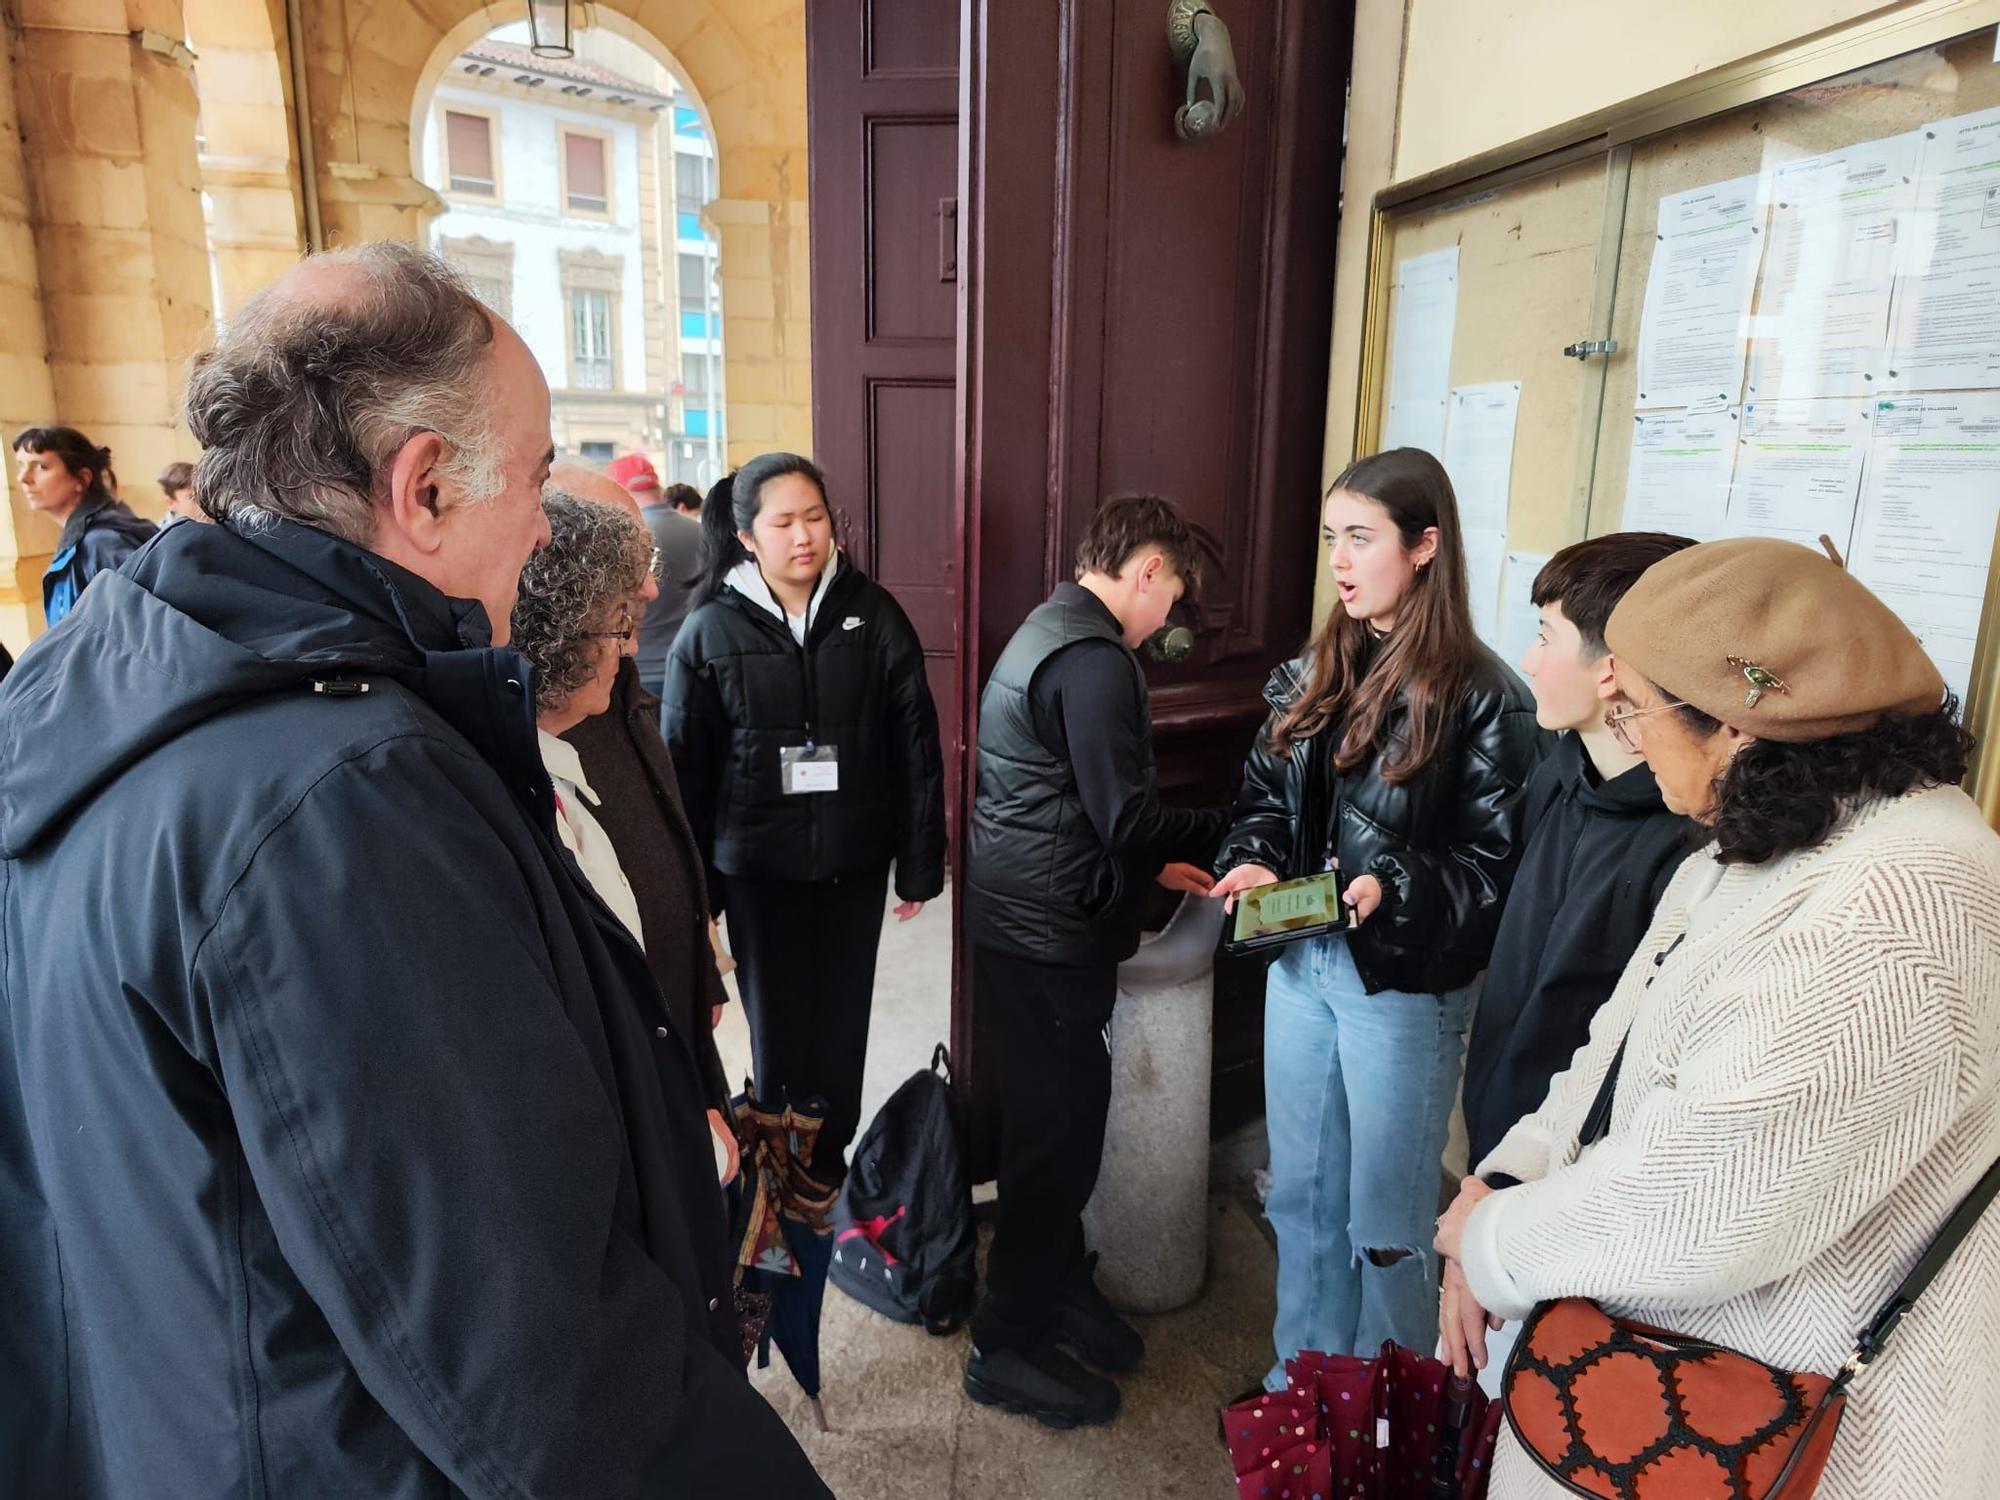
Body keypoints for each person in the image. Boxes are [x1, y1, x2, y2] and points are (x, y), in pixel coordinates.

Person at [0, 242, 827, 1498]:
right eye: (539, 480)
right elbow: (542, 1365)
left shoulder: (104, 684)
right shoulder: (341, 803)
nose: (546, 527)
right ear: (425, 487)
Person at [1437, 537, 2000, 1500]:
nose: (1628, 733)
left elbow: (1704, 1203)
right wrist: (1502, 1179)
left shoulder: (1903, 899)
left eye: (1638, 710)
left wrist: (1492, 1247)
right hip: (1652, 1388)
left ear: (1737, 729)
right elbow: (1604, 1058)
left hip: (1787, 1426)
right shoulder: (1748, 843)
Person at [1211, 447, 1546, 1389]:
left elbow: (1494, 871)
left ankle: (1386, 1414)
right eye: (1333, 539)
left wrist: (1391, 882)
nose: (1341, 562)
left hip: (1401, 987)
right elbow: (1264, 802)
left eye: (1362, 539)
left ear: (1426, 545)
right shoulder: (1308, 672)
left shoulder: (1485, 698)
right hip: (1301, 965)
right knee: (1303, 1201)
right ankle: (1304, 1388)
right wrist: (1255, 857)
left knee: (1387, 1228)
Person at [961, 494, 1230, 1428]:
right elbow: (1121, 814)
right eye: (1175, 596)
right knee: (1055, 1143)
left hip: (1024, 919)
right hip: (1049, 938)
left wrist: (1157, 858)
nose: (1171, 621)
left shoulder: (1050, 627)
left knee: (1059, 1128)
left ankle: (1058, 1287)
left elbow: (1063, 793)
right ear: (1148, 570)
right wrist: (1225, 831)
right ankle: (1007, 1344)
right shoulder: (1096, 658)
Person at [662, 450, 946, 1185]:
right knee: (781, 1030)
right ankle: (784, 1170)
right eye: (783, 522)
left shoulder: (872, 614)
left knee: (843, 1021)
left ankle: (832, 1157)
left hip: (853, 862)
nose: (803, 537)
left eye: (814, 518)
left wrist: (918, 863)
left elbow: (914, 742)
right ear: (747, 535)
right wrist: (700, 898)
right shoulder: (712, 631)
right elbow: (686, 771)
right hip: (758, 869)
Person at [1460, 533, 1696, 1190]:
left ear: (1612, 668)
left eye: (1546, 636)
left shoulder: (1687, 844)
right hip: (1498, 1138)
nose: (1529, 661)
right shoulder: (1558, 774)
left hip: (1574, 1187)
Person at [542, 462, 735, 1122]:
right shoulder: (557, 702)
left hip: (676, 1002)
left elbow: (667, 828)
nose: (652, 587)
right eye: (627, 564)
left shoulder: (617, 679)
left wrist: (702, 967)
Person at [12, 424, 155, 627]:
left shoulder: (102, 544)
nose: (23, 478)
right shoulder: (83, 540)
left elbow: (141, 628)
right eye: (21, 465)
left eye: (41, 466)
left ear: (82, 478)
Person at [609, 451, 704, 697]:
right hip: (696, 668)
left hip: (640, 672)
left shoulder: (620, 539)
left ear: (619, 490)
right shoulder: (702, 533)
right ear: (657, 487)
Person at [156, 458, 206, 523]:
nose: (204, 504)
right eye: (193, 498)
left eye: (204, 495)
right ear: (170, 503)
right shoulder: (164, 531)